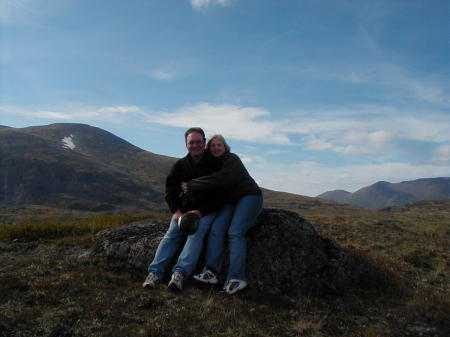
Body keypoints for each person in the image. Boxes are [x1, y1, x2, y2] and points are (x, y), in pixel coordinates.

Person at [142, 127, 223, 291]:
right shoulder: (180, 166)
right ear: (186, 144)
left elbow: (220, 194)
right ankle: (154, 274)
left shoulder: (215, 164)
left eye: (199, 142)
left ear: (204, 142)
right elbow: (170, 192)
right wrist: (177, 214)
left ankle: (179, 274)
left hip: (205, 211)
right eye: (191, 142)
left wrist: (200, 212)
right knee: (171, 235)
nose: (195, 145)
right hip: (184, 211)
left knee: (195, 234)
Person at [181, 135, 263, 295]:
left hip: (249, 196)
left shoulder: (231, 159)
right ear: (208, 149)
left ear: (225, 148)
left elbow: (221, 180)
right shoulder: (213, 165)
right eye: (212, 146)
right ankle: (211, 271)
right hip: (231, 201)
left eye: (219, 145)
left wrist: (192, 184)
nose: (216, 148)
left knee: (235, 232)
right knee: (217, 228)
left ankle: (237, 278)